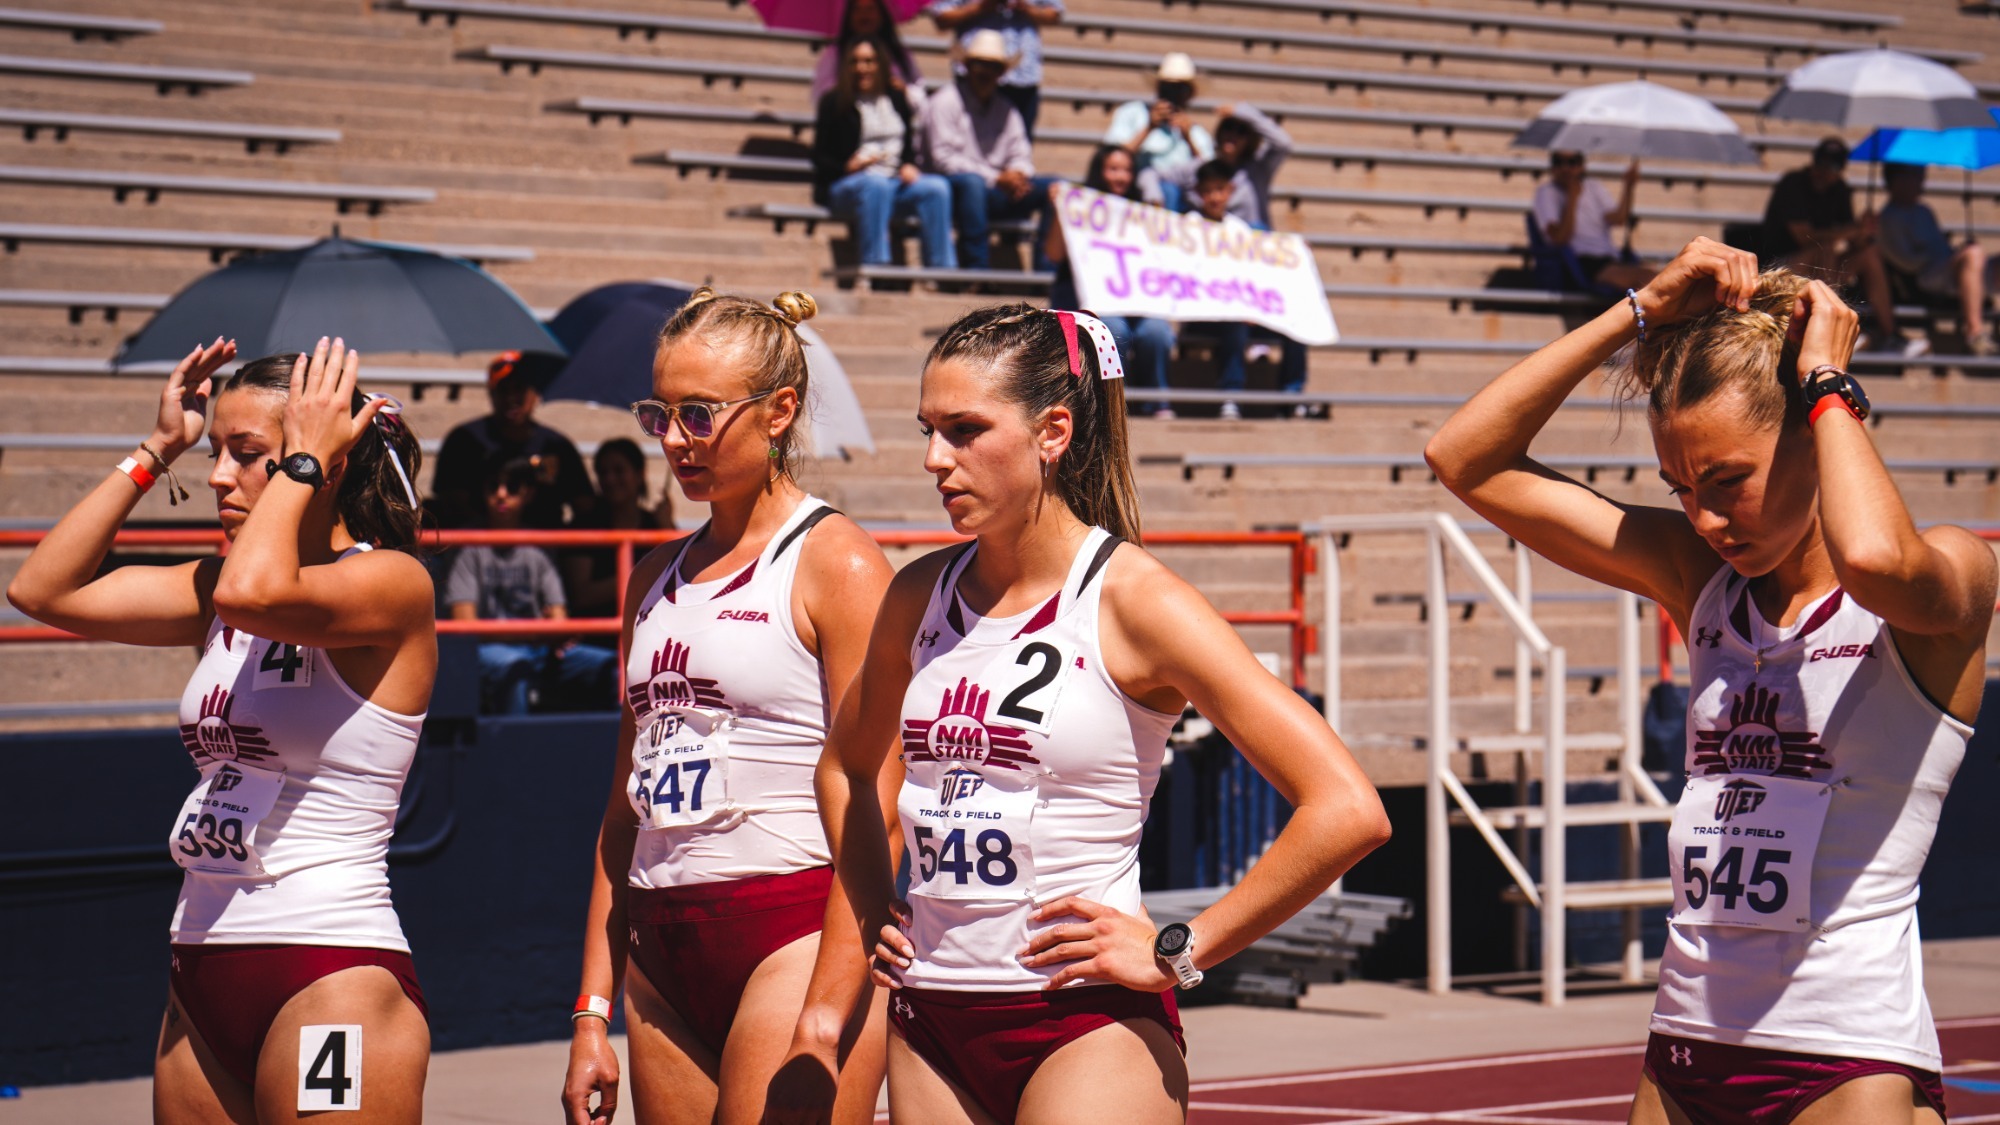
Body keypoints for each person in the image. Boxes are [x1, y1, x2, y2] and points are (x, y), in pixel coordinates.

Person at [1424, 237, 1992, 1125]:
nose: (1707, 516)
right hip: (1685, 1047)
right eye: (1682, 487)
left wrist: (1830, 384)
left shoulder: (1946, 574)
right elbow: (1465, 458)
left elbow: (1876, 558)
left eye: (1729, 480)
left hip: (1844, 1056)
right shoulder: (1704, 581)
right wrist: (1640, 310)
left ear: (1815, 431)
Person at [806, 304, 1391, 1124]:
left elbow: (1347, 809)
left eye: (966, 429)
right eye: (928, 428)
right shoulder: (918, 593)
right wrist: (872, 900)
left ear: (1053, 430)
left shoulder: (1137, 600)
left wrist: (1179, 950)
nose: (935, 458)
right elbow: (844, 764)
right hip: (930, 1014)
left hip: (1082, 1021)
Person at [8, 337, 438, 1121]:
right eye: (213, 452)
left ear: (324, 459)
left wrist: (303, 462)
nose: (215, 476)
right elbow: (42, 589)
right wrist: (156, 449)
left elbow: (256, 592)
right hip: (202, 958)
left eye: (246, 454)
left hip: (327, 961)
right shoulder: (218, 590)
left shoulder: (388, 581)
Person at [560, 288, 897, 1125]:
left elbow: (880, 796)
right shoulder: (653, 576)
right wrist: (590, 1013)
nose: (674, 441)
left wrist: (827, 1005)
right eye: (659, 414)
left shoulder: (838, 561)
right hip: (662, 945)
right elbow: (620, 812)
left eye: (700, 414)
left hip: (793, 925)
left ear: (779, 410)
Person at [447, 452, 618, 715]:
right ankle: (517, 753)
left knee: (614, 668)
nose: (502, 494)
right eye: (494, 486)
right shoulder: (467, 547)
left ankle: (617, 752)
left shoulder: (539, 547)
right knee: (516, 668)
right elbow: (465, 624)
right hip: (493, 653)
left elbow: (559, 617)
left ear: (527, 494)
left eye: (512, 487)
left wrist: (548, 631)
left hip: (540, 651)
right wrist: (539, 631)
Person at [1044, 146, 1178, 418]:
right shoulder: (1078, 204)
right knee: (1113, 329)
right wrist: (1061, 210)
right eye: (1113, 169)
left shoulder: (1141, 209)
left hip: (1136, 302)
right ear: (1099, 171)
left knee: (1158, 332)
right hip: (1093, 301)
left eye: (1127, 170)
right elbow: (1054, 253)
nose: (1121, 177)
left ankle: (1157, 400)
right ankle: (1116, 403)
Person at [1761, 138, 1917, 357]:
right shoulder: (1793, 184)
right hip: (1781, 267)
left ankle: (1890, 335)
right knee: (1824, 248)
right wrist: (1851, 229)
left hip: (1823, 270)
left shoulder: (1840, 190)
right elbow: (1804, 237)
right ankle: (1830, 322)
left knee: (1869, 254)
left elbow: (1853, 240)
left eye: (1831, 168)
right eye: (1821, 165)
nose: (1823, 173)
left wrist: (1865, 231)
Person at [813, 37, 958, 272]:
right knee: (875, 184)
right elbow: (820, 157)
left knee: (937, 188)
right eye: (855, 61)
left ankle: (942, 270)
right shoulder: (833, 102)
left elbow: (907, 145)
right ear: (846, 66)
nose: (862, 68)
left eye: (869, 61)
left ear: (880, 64)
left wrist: (909, 164)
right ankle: (875, 266)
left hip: (894, 181)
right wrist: (847, 167)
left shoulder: (896, 97)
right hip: (849, 184)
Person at [1181, 160, 1308, 418]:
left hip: (1242, 312)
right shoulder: (1187, 226)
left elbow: (1251, 275)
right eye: (1208, 191)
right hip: (1204, 316)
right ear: (1198, 193)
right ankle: (1232, 395)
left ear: (1229, 191)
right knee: (1235, 324)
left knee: (1296, 326)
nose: (1215, 197)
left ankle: (1292, 395)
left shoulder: (1238, 229)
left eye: (1219, 189)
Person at [922, 28, 1056, 272]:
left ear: (1001, 73)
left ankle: (1046, 273)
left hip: (997, 189)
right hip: (954, 190)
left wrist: (1017, 175)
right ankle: (977, 271)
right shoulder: (944, 102)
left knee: (1056, 188)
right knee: (972, 184)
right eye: (980, 65)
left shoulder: (1007, 109)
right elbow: (944, 160)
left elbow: (1021, 154)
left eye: (992, 66)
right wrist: (997, 177)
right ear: (967, 67)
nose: (985, 72)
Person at [430, 350, 596, 529]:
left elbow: (585, 506)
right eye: (503, 390)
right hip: (476, 549)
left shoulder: (557, 446)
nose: (511, 398)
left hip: (545, 550)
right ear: (491, 394)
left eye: (519, 389)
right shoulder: (464, 441)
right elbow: (451, 502)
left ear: (534, 394)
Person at [1877, 162, 1997, 356]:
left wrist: (1956, 254)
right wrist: (1951, 256)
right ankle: (1975, 333)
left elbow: (1940, 247)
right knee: (1973, 253)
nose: (1922, 180)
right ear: (1897, 180)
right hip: (1925, 279)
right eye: (1916, 174)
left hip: (1946, 268)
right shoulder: (1889, 217)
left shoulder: (1924, 211)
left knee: (1976, 254)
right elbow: (1904, 262)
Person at [563, 437, 675, 621]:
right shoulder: (585, 525)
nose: (610, 479)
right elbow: (581, 596)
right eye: (602, 472)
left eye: (619, 471)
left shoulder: (655, 525)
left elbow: (680, 578)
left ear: (640, 475)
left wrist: (667, 527)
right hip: (594, 639)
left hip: (647, 631)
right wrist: (644, 575)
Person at [926, 0, 1063, 138]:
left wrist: (1025, 7)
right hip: (975, 74)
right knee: (966, 139)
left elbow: (1055, 13)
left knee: (1017, 140)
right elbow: (941, 16)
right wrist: (982, 6)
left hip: (1021, 77)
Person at [1530, 150, 1656, 293]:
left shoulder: (1593, 186)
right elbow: (1559, 239)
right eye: (1558, 162)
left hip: (1609, 258)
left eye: (1572, 162)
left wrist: (1628, 186)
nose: (1565, 168)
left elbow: (1618, 219)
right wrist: (1572, 198)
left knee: (1656, 277)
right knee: (1649, 280)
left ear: (1582, 165)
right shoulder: (1546, 192)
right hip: (1581, 262)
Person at [1103, 52, 1212, 212]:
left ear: (1189, 94)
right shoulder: (1132, 113)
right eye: (1168, 88)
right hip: (1134, 193)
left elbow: (1210, 175)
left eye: (1179, 89)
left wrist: (1188, 139)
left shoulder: (1197, 133)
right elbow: (1110, 157)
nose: (1172, 95)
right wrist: (1149, 128)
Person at [1156, 102, 1291, 229]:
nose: (1233, 135)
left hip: (1249, 241)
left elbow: (1283, 143)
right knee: (1168, 189)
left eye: (1241, 132)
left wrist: (1243, 112)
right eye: (1228, 128)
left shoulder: (1259, 169)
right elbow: (1155, 175)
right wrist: (1154, 196)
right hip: (1206, 238)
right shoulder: (1203, 167)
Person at [811, 0, 922, 108]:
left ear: (881, 13)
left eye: (870, 8)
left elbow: (920, 97)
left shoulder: (899, 54)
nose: (864, 14)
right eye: (857, 9)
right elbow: (820, 95)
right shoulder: (834, 54)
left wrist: (904, 91)